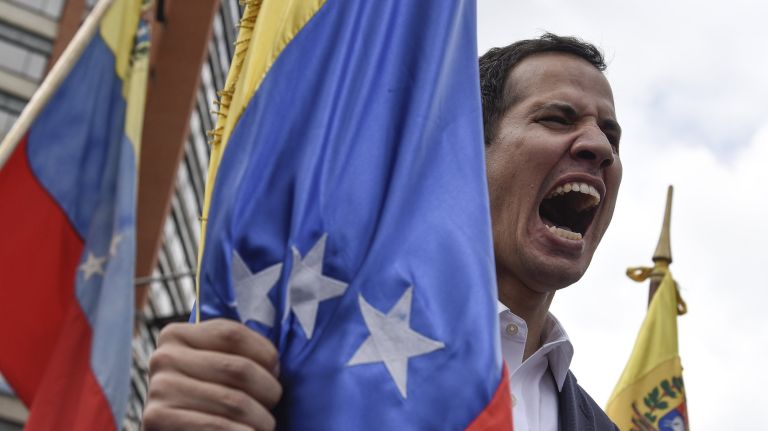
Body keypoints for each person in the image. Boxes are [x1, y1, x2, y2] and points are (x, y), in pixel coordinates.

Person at [142, 33, 621, 431]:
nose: (600, 147)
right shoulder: (304, 345)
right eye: (558, 118)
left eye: (611, 136)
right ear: (465, 157)